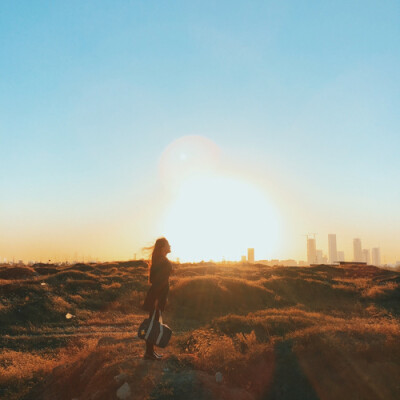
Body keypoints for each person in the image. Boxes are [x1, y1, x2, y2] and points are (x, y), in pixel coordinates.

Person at [142, 237, 172, 360]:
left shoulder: (160, 259)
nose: (170, 246)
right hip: (157, 297)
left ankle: (150, 352)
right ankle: (149, 353)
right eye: (168, 244)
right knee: (153, 325)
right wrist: (157, 300)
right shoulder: (161, 260)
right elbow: (157, 281)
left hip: (159, 296)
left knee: (154, 323)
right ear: (162, 247)